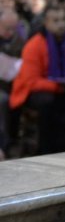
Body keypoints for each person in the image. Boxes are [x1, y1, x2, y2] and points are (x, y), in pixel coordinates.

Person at [11, 4, 65, 154]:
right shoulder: (34, 45)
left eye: (63, 20)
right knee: (48, 101)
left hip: (62, 89)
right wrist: (57, 86)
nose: (61, 24)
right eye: (55, 20)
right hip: (34, 91)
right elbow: (31, 81)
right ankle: (46, 149)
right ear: (46, 23)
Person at [0, 9, 27, 158]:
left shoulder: (19, 40)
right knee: (3, 100)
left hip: (15, 83)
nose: (11, 32)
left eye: (13, 28)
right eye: (6, 28)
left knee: (18, 100)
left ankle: (13, 142)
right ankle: (4, 144)